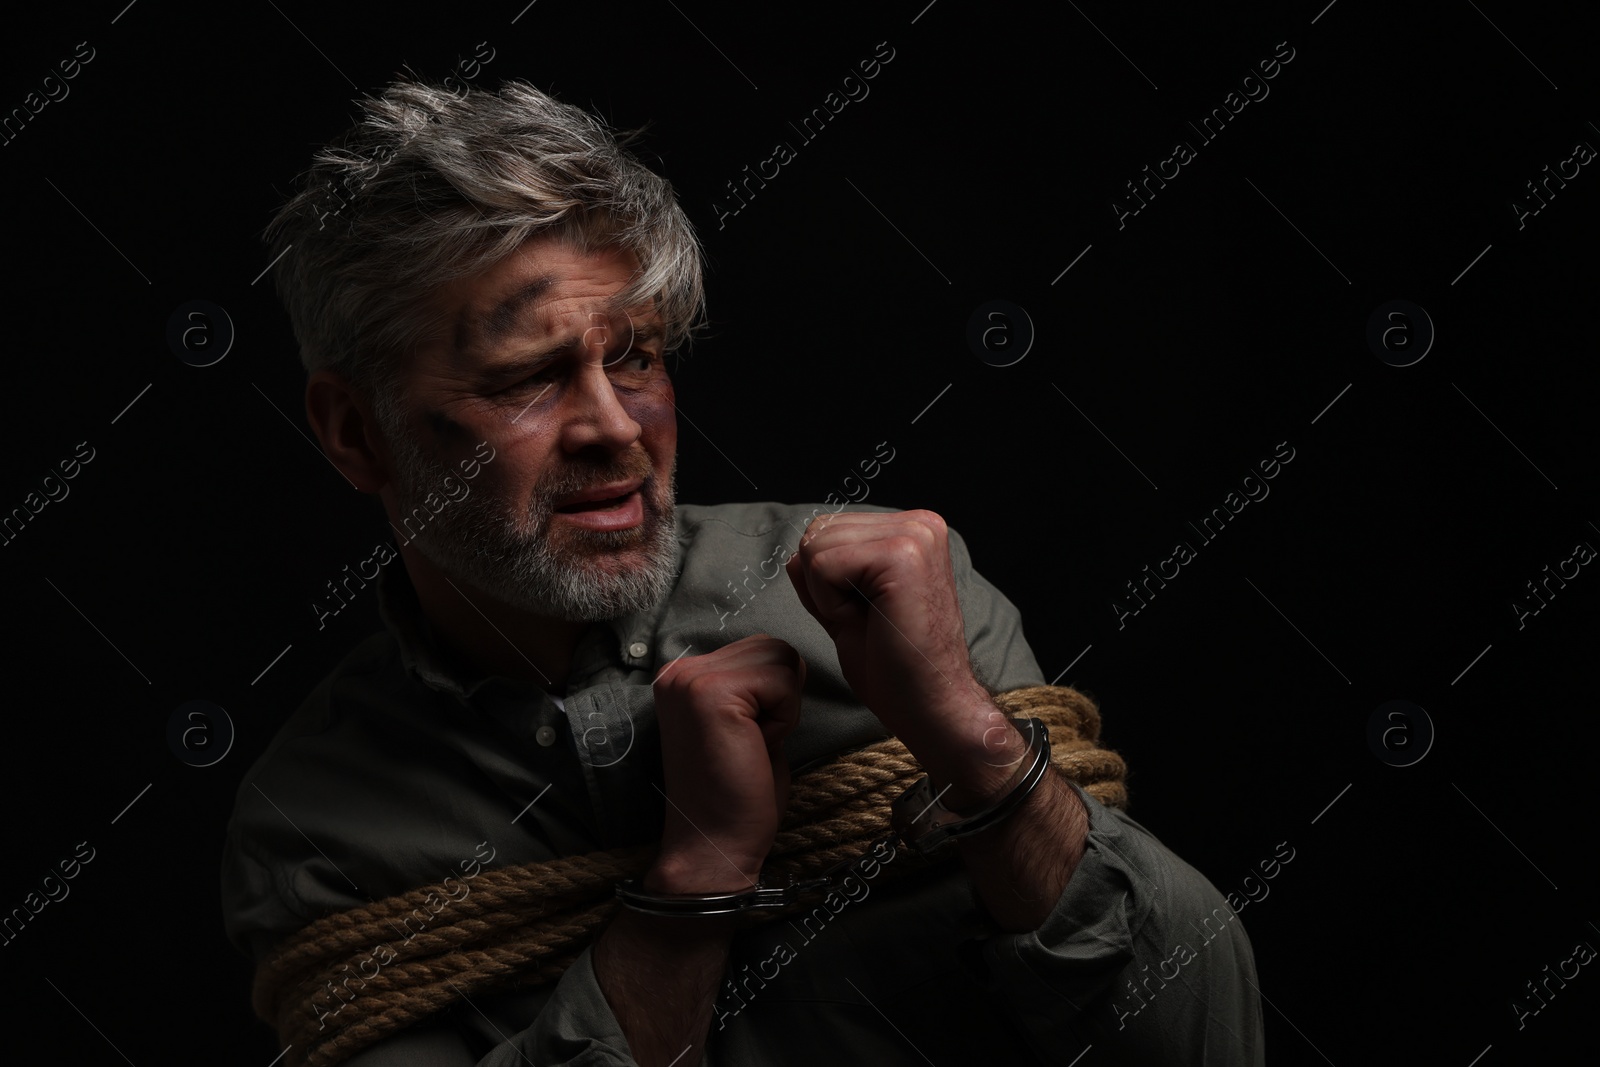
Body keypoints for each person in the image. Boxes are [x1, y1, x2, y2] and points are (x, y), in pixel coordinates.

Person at [221, 77, 1264, 1066]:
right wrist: (697, 870)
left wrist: (967, 736)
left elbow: (1201, 1043)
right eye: (527, 378)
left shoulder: (898, 598)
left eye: (634, 356)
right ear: (355, 430)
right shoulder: (315, 826)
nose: (614, 425)